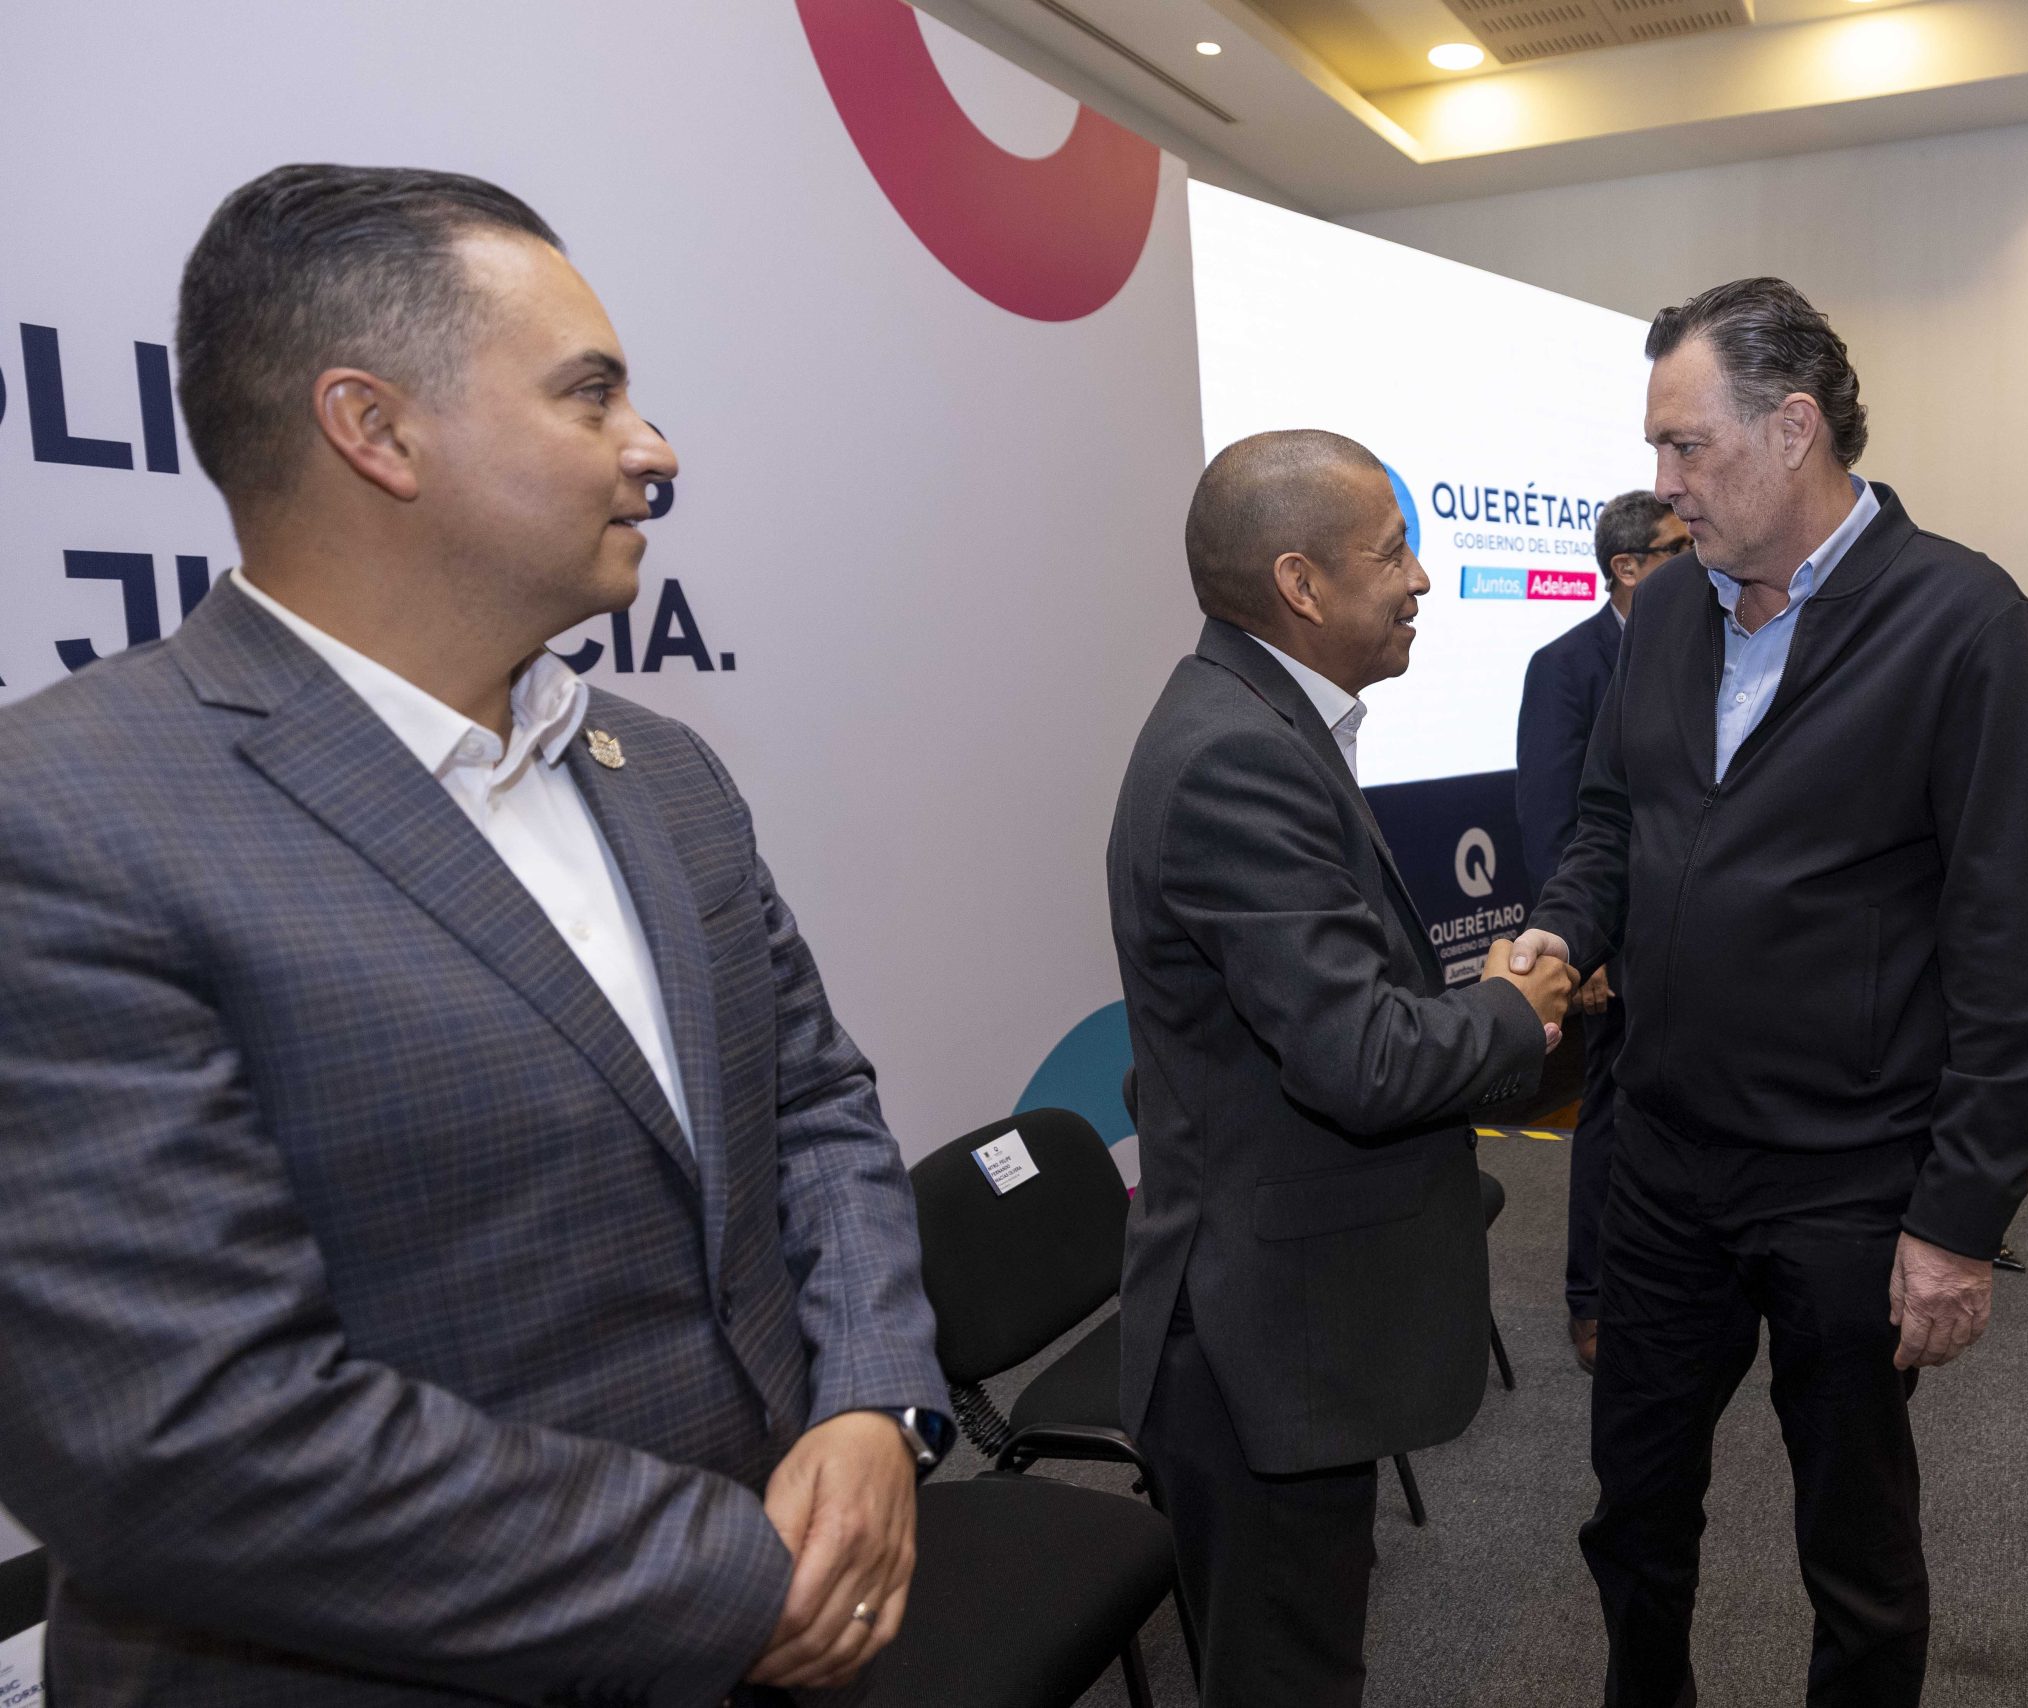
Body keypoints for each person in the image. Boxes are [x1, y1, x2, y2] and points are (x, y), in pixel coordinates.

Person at [0, 165, 951, 1705]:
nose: (652, 447)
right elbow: (182, 1440)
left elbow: (817, 1105)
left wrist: (871, 1402)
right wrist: (733, 1579)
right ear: (374, 430)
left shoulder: (665, 774)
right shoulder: (61, 817)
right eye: (590, 395)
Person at [1504, 278, 2028, 1708]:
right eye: (1657, 446)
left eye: (1686, 445)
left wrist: (1958, 1220)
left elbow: (2006, 945)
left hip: (1849, 1178)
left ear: (1795, 426)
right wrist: (1559, 934)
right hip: (1662, 1161)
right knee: (1633, 1515)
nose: (1662, 482)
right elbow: (1612, 825)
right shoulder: (1666, 616)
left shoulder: (1963, 620)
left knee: (1855, 1552)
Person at [1109, 429, 1575, 1706]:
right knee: (1286, 1673)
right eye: (1392, 552)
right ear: (1300, 584)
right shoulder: (1236, 756)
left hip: (1291, 1316)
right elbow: (1359, 1056)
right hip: (1261, 1341)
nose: (1420, 579)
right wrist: (1513, 1009)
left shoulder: (1257, 722)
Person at [1516, 489, 1691, 1373]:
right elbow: (1556, 816)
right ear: (1627, 568)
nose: (1694, 557)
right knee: (1610, 1119)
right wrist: (1582, 950)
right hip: (1608, 946)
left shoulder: (1696, 644)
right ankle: (1591, 1298)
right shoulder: (1566, 664)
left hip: (1685, 947)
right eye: (1675, 548)